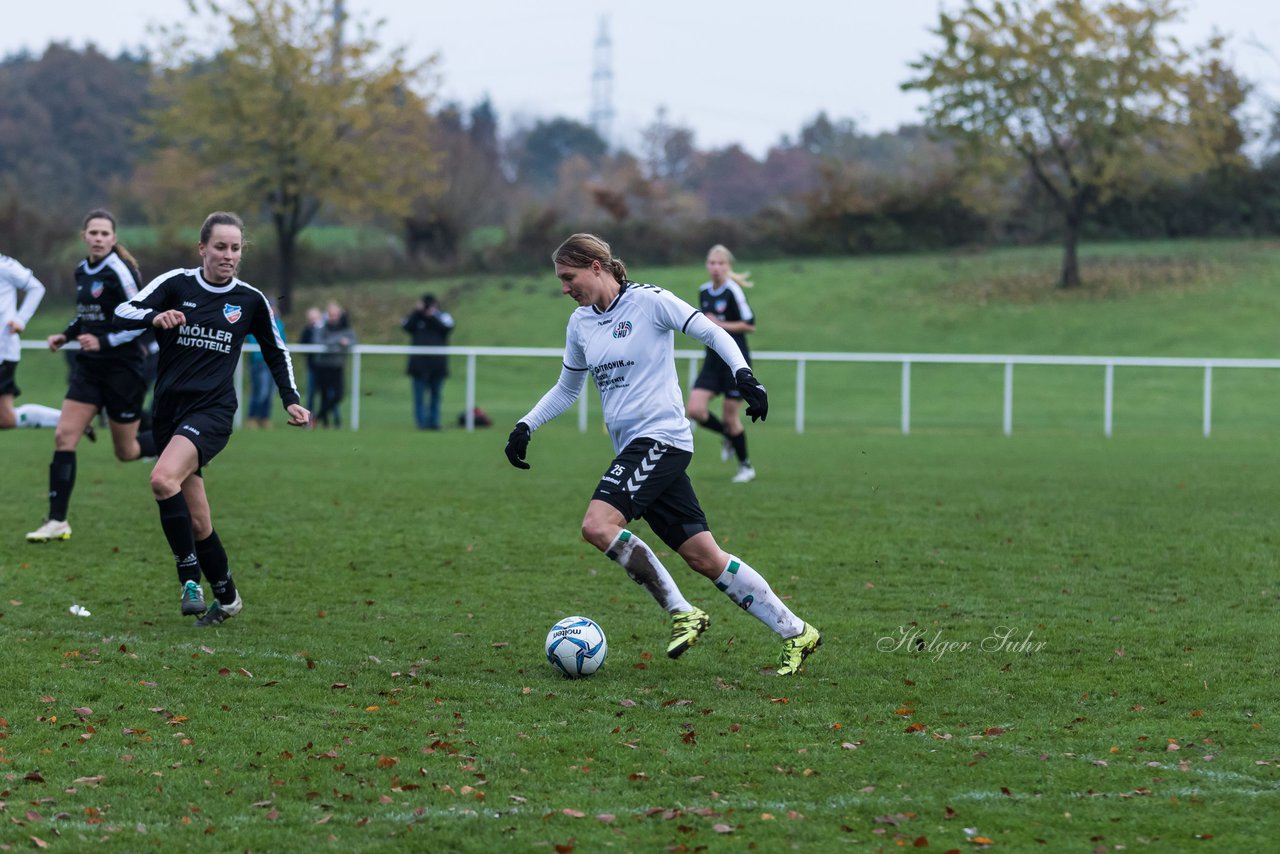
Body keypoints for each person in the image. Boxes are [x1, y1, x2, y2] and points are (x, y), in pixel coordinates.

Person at [504, 233, 821, 676]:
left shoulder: (650, 301)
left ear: (596, 266)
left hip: (661, 439)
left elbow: (710, 330)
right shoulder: (580, 323)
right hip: (637, 450)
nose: (564, 288)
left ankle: (682, 611)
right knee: (704, 557)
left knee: (598, 525)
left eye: (568, 277)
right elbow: (567, 388)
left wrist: (746, 376)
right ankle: (797, 632)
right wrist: (526, 425)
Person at [113, 211, 309, 626]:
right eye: (220, 247)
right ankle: (230, 598)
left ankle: (189, 582)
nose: (229, 255)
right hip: (168, 413)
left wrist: (290, 398)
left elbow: (276, 351)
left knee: (162, 479)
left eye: (236, 248)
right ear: (202, 248)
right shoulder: (175, 285)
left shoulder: (250, 300)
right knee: (199, 520)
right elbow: (121, 313)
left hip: (214, 412)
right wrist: (154, 317)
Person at [26, 210, 160, 544]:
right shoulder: (82, 270)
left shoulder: (120, 270)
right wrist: (67, 335)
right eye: (93, 233)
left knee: (126, 451)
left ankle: (178, 443)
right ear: (84, 236)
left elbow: (140, 317)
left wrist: (104, 341)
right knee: (64, 436)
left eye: (105, 233)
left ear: (114, 239)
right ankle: (57, 520)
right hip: (89, 368)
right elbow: (85, 314)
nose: (99, 238)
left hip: (123, 368)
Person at [685, 244, 757, 483]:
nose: (716, 268)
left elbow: (750, 325)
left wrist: (719, 324)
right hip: (712, 361)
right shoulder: (704, 291)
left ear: (728, 267)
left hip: (734, 361)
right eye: (712, 263)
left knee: (730, 416)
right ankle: (727, 435)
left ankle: (746, 466)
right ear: (707, 265)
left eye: (721, 263)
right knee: (694, 409)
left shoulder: (733, 291)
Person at [1, 250, 63, 433]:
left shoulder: (4, 265)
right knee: (5, 420)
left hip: (3, 350)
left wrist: (20, 319)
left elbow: (36, 287)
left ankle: (69, 421)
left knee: (6, 419)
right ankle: (69, 420)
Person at [402, 293, 455, 430]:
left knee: (435, 396)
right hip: (418, 365)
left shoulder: (443, 316)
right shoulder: (416, 317)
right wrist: (417, 312)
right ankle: (421, 424)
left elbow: (448, 328)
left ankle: (434, 422)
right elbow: (406, 327)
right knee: (419, 397)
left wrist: (433, 315)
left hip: (437, 365)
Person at [311, 300, 355, 429]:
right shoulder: (322, 327)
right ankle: (324, 423)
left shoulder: (346, 328)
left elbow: (352, 342)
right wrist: (338, 343)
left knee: (339, 394)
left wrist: (333, 345)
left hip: (337, 366)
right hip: (323, 366)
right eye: (331, 315)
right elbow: (318, 342)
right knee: (324, 395)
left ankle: (317, 417)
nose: (334, 318)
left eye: (336, 315)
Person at [245, 299, 286, 429]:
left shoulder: (279, 323)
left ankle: (264, 418)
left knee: (269, 392)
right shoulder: (256, 321)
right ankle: (252, 417)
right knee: (260, 392)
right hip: (259, 362)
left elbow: (282, 341)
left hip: (273, 363)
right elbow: (253, 340)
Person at [298, 306, 323, 413]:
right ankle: (309, 418)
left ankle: (330, 420)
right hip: (312, 366)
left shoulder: (325, 330)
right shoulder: (307, 330)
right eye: (311, 318)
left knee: (327, 394)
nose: (313, 321)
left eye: (315, 318)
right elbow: (303, 346)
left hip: (326, 367)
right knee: (311, 393)